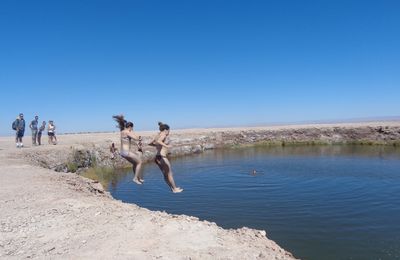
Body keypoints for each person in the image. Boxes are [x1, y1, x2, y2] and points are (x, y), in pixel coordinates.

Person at [152, 122, 183, 193]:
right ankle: (175, 189)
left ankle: (172, 188)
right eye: (169, 130)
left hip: (157, 157)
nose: (169, 132)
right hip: (162, 157)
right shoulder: (163, 135)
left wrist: (159, 146)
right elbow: (159, 141)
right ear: (166, 130)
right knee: (169, 174)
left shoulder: (157, 135)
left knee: (165, 174)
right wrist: (166, 146)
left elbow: (151, 143)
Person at [113, 115, 144, 184]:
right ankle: (135, 178)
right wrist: (137, 135)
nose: (132, 129)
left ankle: (138, 178)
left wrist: (136, 143)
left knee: (135, 163)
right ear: (130, 127)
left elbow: (128, 141)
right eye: (132, 128)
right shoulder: (127, 132)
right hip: (126, 152)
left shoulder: (122, 131)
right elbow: (136, 138)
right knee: (139, 162)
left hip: (123, 152)